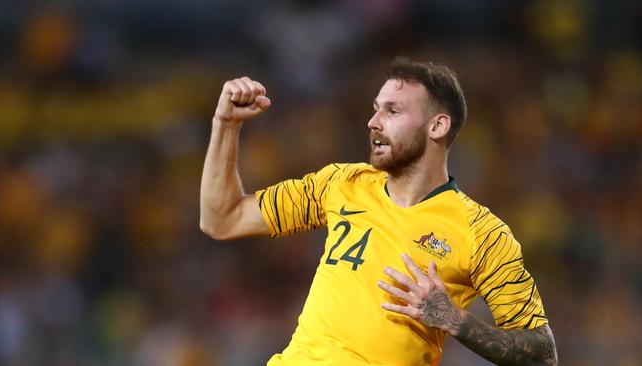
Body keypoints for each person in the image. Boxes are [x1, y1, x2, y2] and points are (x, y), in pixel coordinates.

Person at [200, 57, 558, 365]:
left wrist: (452, 318)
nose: (374, 121)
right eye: (376, 108)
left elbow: (543, 354)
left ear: (437, 126)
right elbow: (223, 219)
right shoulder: (342, 184)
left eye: (393, 110)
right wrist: (226, 125)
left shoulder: (482, 234)